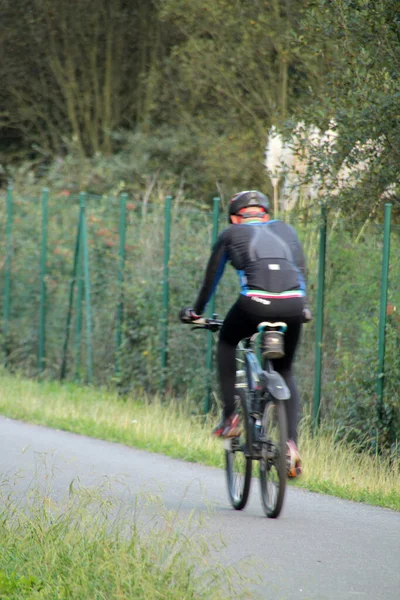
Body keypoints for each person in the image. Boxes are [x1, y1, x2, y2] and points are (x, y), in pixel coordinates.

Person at [179, 190, 311, 477]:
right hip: (294, 304)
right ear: (265, 213)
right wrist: (305, 308)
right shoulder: (286, 229)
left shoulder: (230, 234)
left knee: (227, 341)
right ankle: (291, 445)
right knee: (285, 369)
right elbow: (300, 271)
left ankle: (230, 418)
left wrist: (196, 311)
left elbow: (209, 280)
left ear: (235, 217)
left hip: (254, 304)